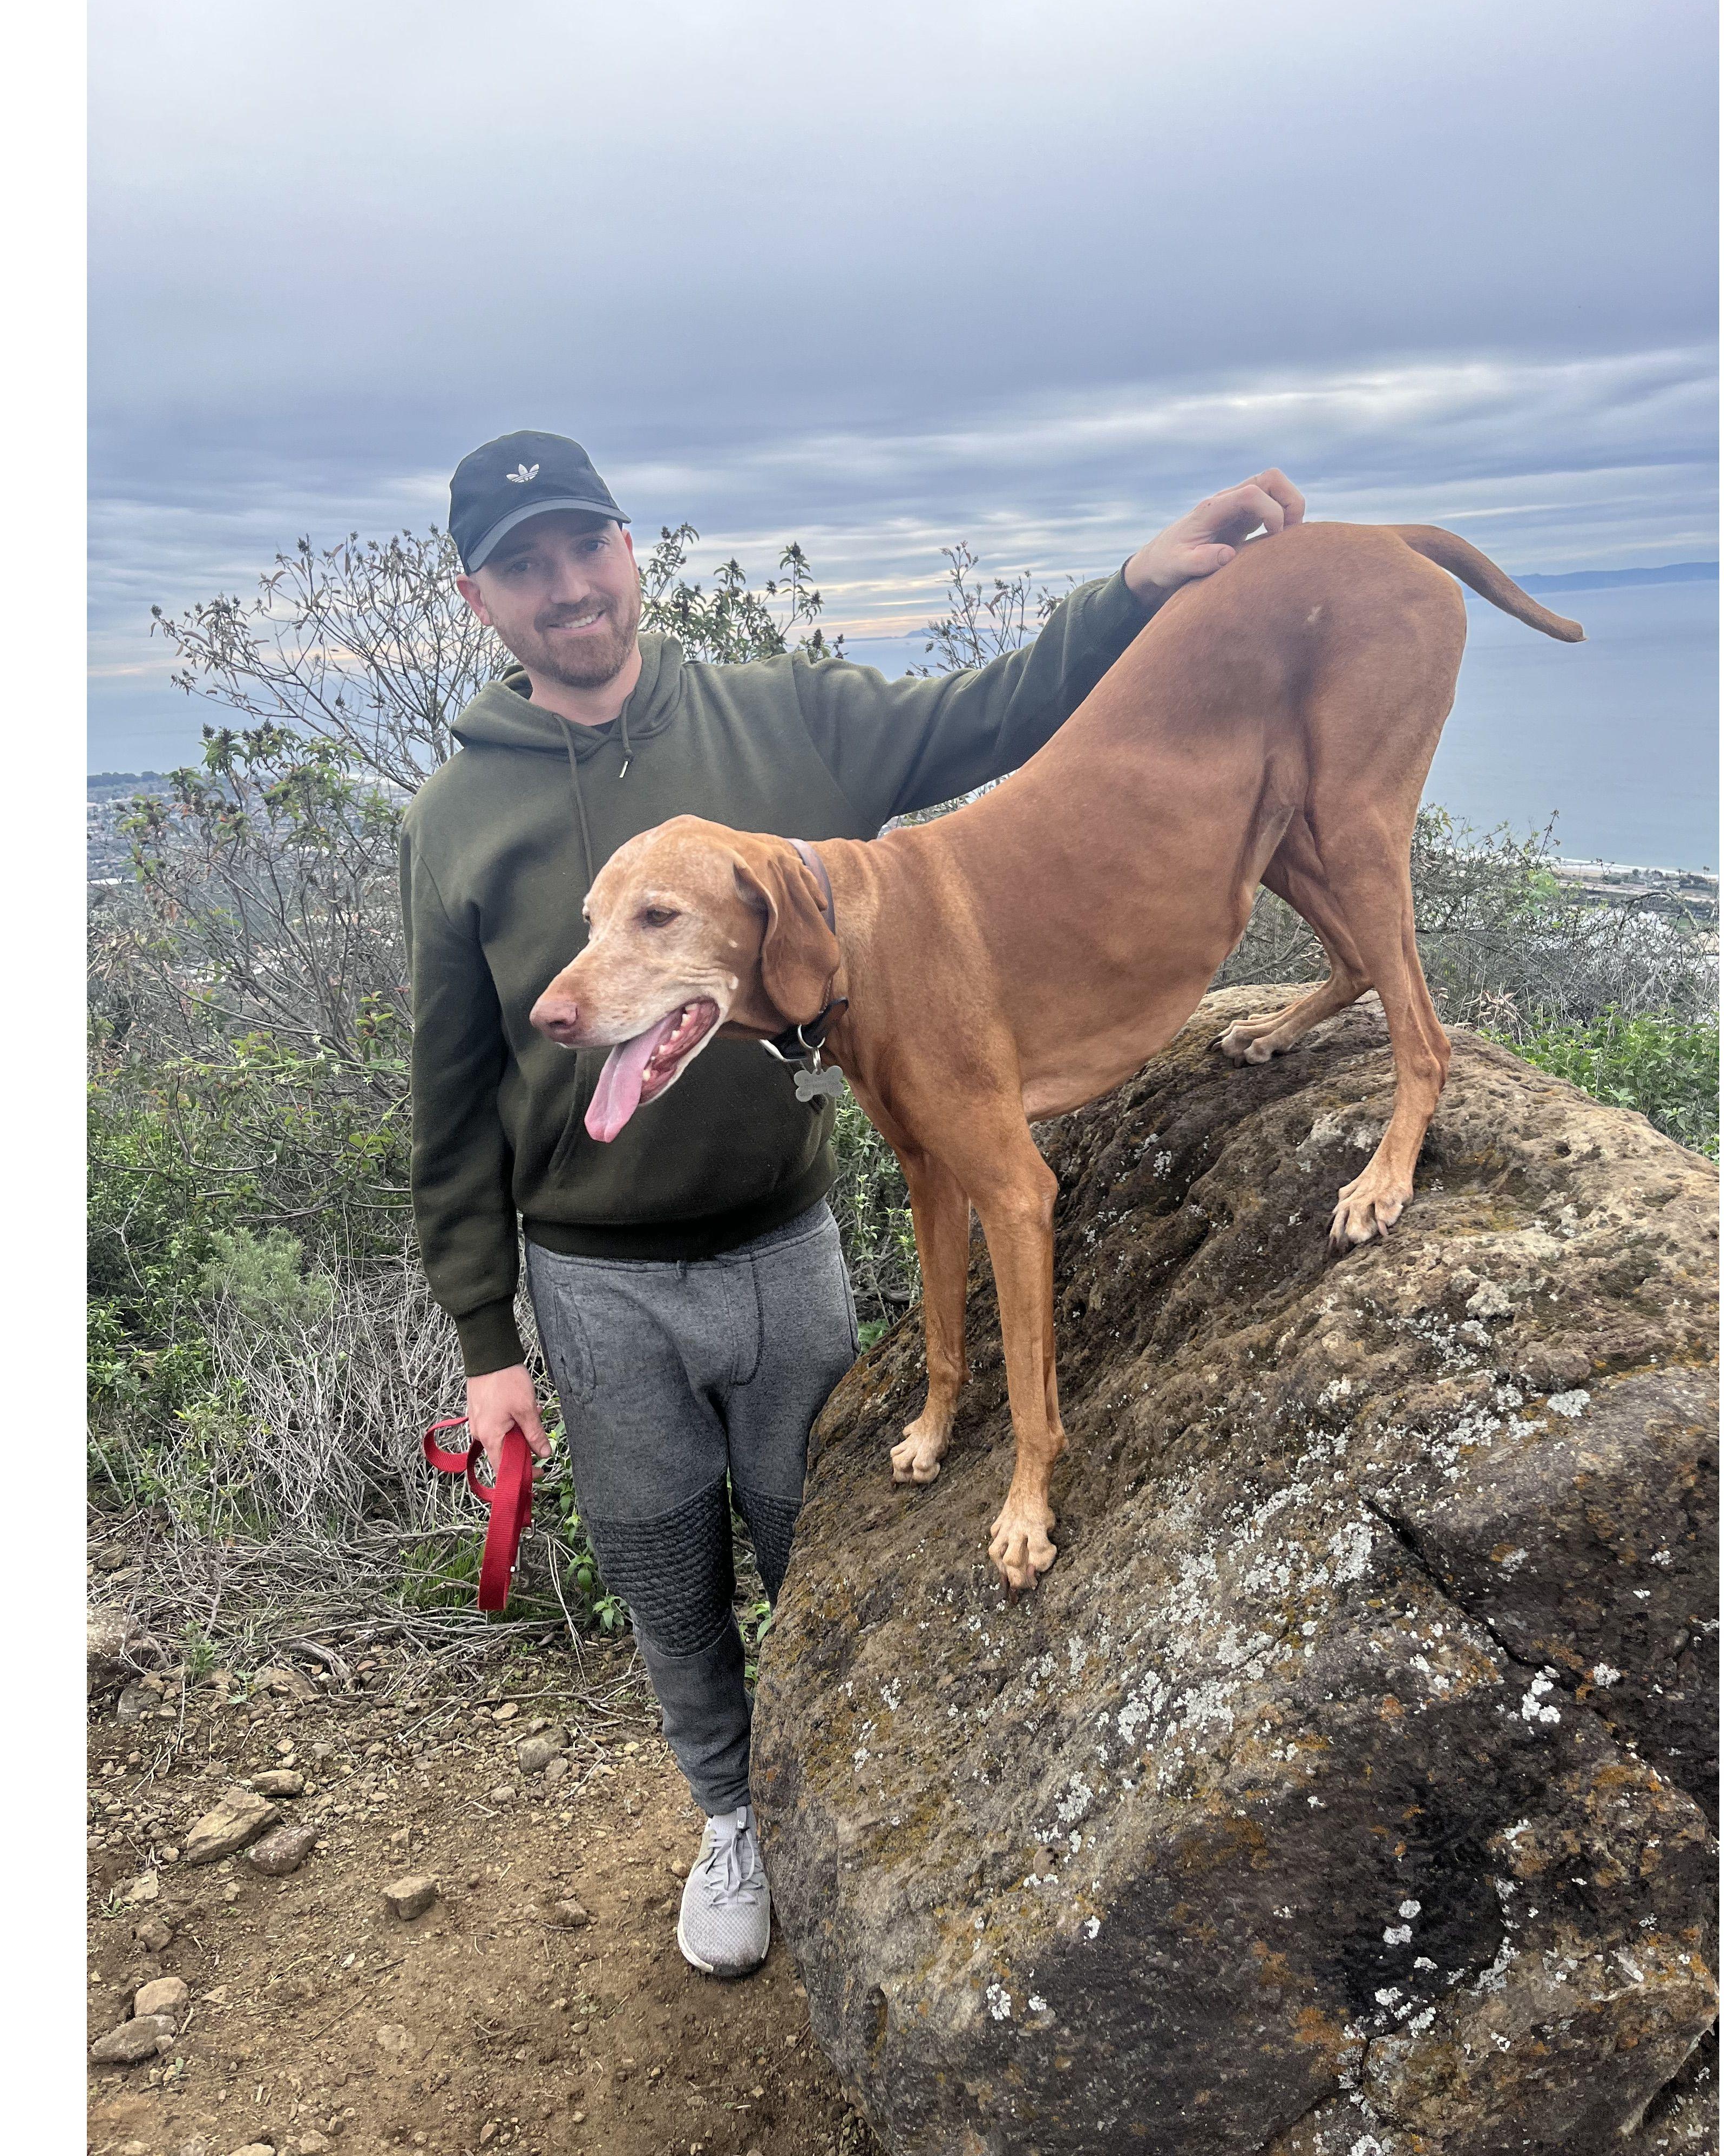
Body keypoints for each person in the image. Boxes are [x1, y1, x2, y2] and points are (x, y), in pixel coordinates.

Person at [400, 430, 1305, 1977]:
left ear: (628, 549)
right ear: (479, 597)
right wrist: (491, 1344)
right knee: (659, 1564)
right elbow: (451, 1091)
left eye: (586, 549)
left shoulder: (777, 721)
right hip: (594, 1274)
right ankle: (725, 1821)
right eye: (526, 568)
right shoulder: (456, 817)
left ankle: (838, 1793)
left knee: (820, 1546)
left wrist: (1135, 590)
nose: (569, 590)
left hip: (786, 1243)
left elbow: (993, 714)